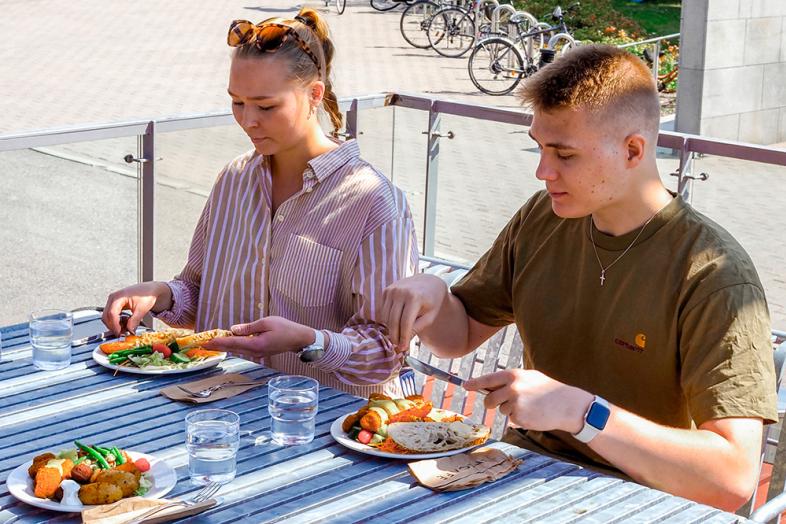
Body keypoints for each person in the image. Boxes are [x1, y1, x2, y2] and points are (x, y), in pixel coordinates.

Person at [379, 44, 776, 510]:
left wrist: (582, 414)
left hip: (642, 502)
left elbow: (732, 478)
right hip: (517, 480)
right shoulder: (543, 218)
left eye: (564, 154)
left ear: (633, 150)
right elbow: (459, 334)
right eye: (541, 147)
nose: (543, 171)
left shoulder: (713, 273)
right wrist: (433, 296)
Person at [103, 9, 418, 396]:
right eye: (237, 102)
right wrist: (159, 294)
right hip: (223, 409)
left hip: (324, 429)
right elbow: (201, 298)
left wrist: (309, 341)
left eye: (265, 106)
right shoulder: (233, 180)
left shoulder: (374, 203)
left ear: (313, 95)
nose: (247, 120)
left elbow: (388, 355)